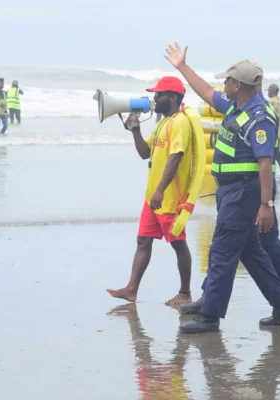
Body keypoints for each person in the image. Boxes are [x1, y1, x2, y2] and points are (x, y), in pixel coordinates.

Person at [163, 43, 280, 333]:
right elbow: (205, 92)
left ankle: (210, 315)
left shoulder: (259, 117)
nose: (222, 84)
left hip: (244, 193)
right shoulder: (237, 106)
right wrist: (182, 66)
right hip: (230, 192)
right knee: (250, 252)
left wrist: (266, 206)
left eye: (226, 79)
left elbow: (265, 164)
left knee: (223, 250)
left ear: (236, 85)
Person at [106, 76, 195, 307]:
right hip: (153, 198)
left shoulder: (180, 123)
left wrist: (160, 191)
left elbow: (175, 159)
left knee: (178, 243)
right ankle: (131, 290)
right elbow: (146, 153)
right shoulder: (163, 123)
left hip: (169, 198)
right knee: (143, 241)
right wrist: (135, 131)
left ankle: (185, 292)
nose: (154, 99)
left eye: (159, 94)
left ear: (173, 98)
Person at [266, 83, 280, 176]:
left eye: (269, 91)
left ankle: (272, 174)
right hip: (278, 132)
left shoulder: (270, 101)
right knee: (277, 153)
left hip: (270, 133)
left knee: (271, 155)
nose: (268, 93)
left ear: (272, 91)